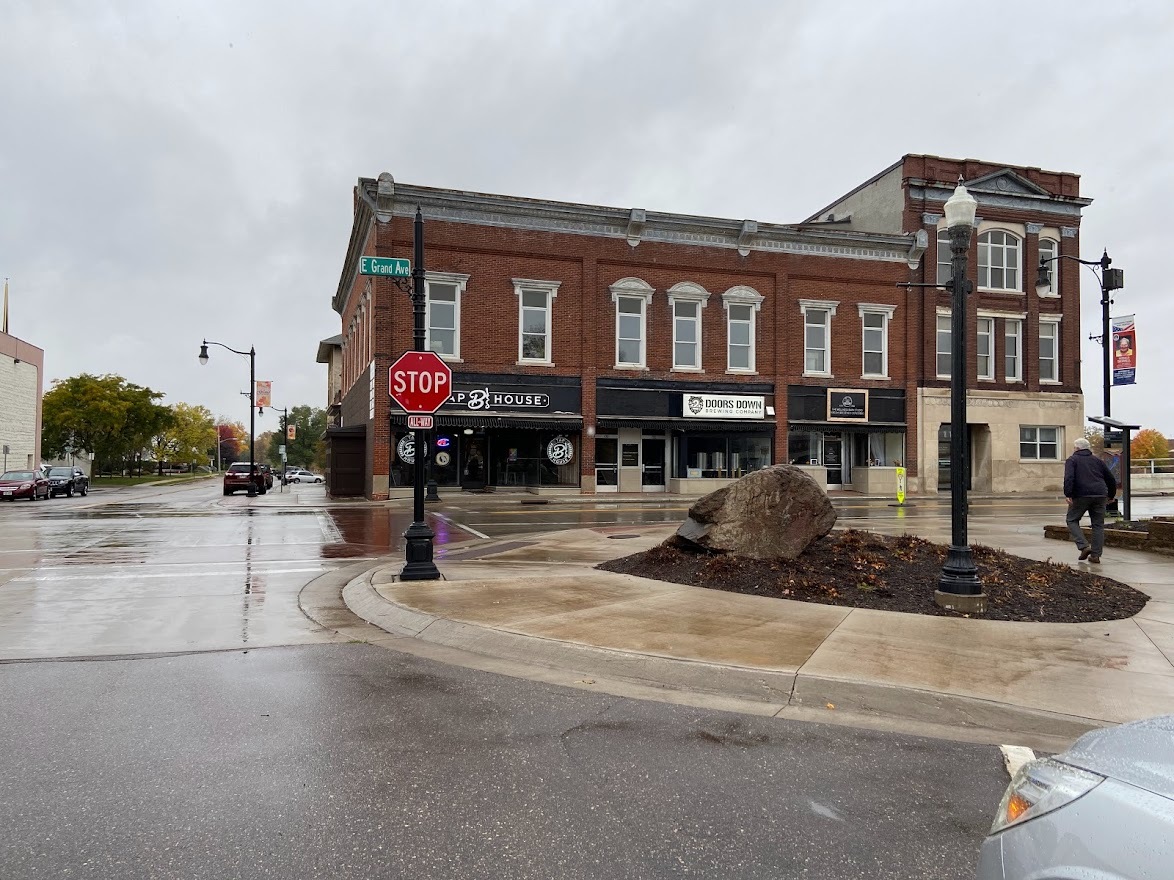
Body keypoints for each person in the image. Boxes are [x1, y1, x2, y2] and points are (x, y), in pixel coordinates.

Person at [1063, 437, 1117, 564]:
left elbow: (1069, 478)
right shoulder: (1097, 460)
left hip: (1081, 494)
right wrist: (1110, 495)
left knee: (1071, 519)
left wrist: (1068, 494)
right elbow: (1110, 478)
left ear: (1076, 448)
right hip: (1100, 494)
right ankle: (1095, 555)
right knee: (1098, 525)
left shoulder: (1072, 460)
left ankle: (1084, 546)